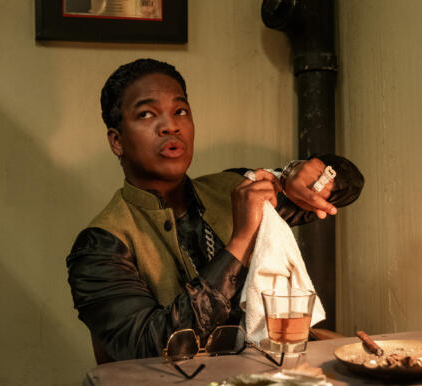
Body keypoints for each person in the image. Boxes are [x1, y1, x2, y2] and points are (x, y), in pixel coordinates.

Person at [66, 58, 364, 363]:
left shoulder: (235, 188)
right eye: (146, 114)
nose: (170, 126)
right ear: (117, 141)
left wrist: (307, 175)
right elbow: (150, 347)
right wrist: (241, 242)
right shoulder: (100, 246)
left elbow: (350, 185)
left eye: (180, 111)